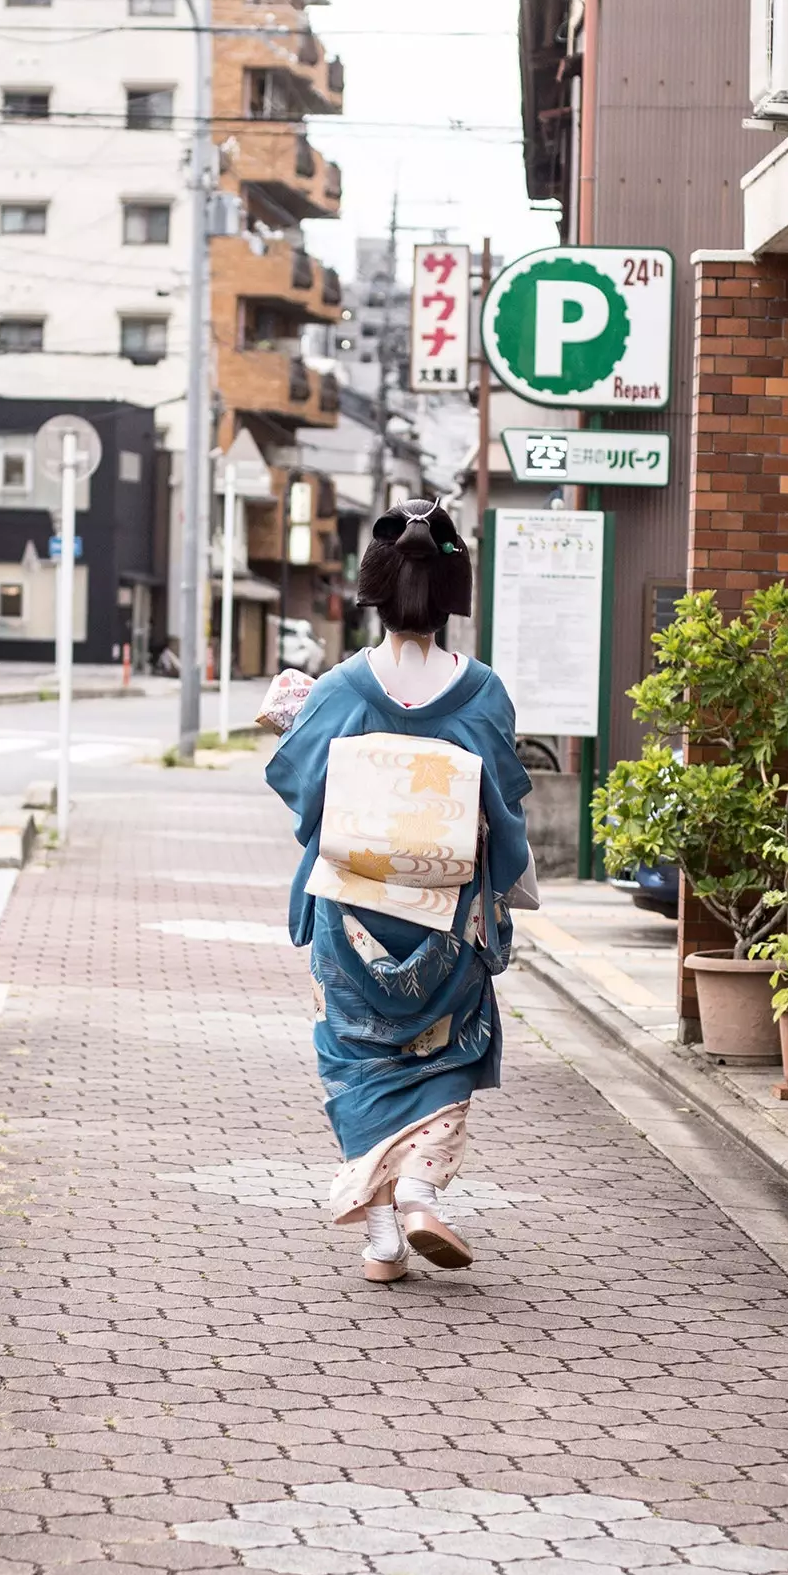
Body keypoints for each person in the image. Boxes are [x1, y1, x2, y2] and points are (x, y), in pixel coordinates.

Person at [265, 497, 533, 1282]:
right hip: (445, 917)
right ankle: (419, 1187)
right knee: (447, 1051)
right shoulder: (481, 691)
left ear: (374, 591)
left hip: (351, 915)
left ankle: (382, 1234)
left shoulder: (341, 688)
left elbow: (306, 794)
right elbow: (503, 811)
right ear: (453, 595)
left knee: (355, 1058)